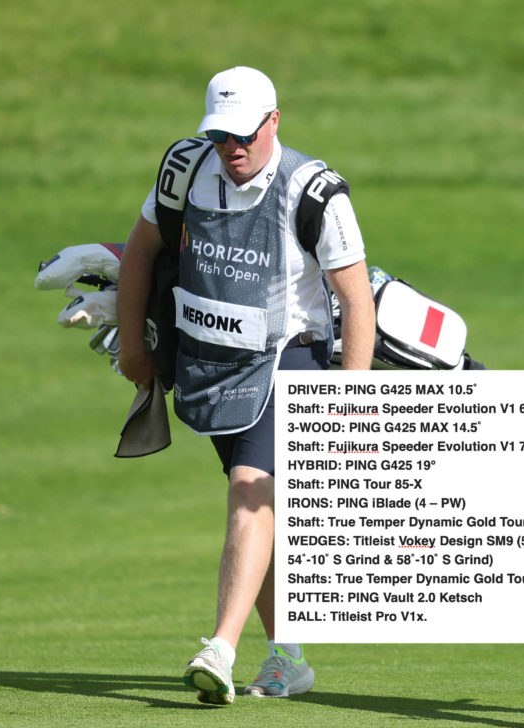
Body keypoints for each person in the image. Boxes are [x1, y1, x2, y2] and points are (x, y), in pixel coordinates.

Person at [116, 66, 376, 706]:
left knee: (250, 490)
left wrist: (351, 402)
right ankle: (287, 657)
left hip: (293, 356)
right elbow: (142, 250)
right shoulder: (185, 169)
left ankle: (221, 648)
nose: (232, 148)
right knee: (257, 520)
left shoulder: (314, 191)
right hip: (210, 367)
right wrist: (132, 346)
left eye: (245, 135)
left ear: (274, 122)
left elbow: (356, 300)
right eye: (221, 135)